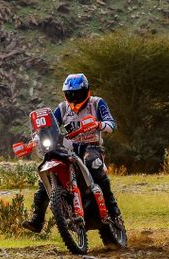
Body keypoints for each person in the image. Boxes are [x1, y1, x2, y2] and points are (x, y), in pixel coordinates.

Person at [21, 72, 118, 233]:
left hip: (91, 147)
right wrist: (36, 139)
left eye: (77, 93)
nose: (74, 97)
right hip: (68, 148)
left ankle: (113, 211)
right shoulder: (62, 108)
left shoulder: (96, 103)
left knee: (94, 165)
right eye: (70, 94)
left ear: (86, 90)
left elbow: (111, 124)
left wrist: (98, 124)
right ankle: (37, 219)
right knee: (48, 173)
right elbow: (48, 128)